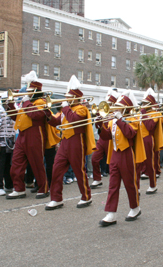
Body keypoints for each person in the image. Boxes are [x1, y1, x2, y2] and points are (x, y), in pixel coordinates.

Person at [45, 75, 96, 210]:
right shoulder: (65, 109)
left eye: (68, 97)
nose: (65, 99)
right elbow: (56, 122)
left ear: (74, 97)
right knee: (56, 169)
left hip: (76, 141)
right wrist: (47, 113)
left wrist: (66, 108)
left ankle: (86, 196)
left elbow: (74, 120)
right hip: (65, 142)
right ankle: (56, 199)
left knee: (79, 170)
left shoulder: (81, 108)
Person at [99, 90, 146, 226]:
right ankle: (111, 213)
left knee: (129, 183)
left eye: (119, 106)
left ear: (125, 107)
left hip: (127, 153)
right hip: (115, 153)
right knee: (113, 185)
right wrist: (100, 126)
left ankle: (135, 208)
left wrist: (120, 119)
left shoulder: (133, 119)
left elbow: (129, 134)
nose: (115, 108)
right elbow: (107, 136)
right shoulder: (113, 120)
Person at [6, 72, 50, 200]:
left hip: (35, 133)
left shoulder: (41, 102)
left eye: (29, 90)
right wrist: (10, 105)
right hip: (22, 134)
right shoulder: (27, 103)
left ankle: (43, 188)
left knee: (37, 164)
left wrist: (25, 103)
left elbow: (36, 116)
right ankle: (19, 189)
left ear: (36, 91)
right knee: (16, 163)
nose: (26, 92)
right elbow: (17, 117)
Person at [90, 88, 119, 189]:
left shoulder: (116, 114)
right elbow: (98, 126)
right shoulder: (104, 113)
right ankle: (97, 179)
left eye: (110, 104)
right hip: (102, 139)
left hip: (111, 139)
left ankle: (114, 183)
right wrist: (98, 119)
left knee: (112, 163)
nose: (108, 106)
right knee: (94, 159)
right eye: (107, 104)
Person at [0, 97, 15, 196]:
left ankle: (9, 185)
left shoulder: (11, 112)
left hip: (10, 142)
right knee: (0, 165)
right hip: (1, 141)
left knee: (8, 165)